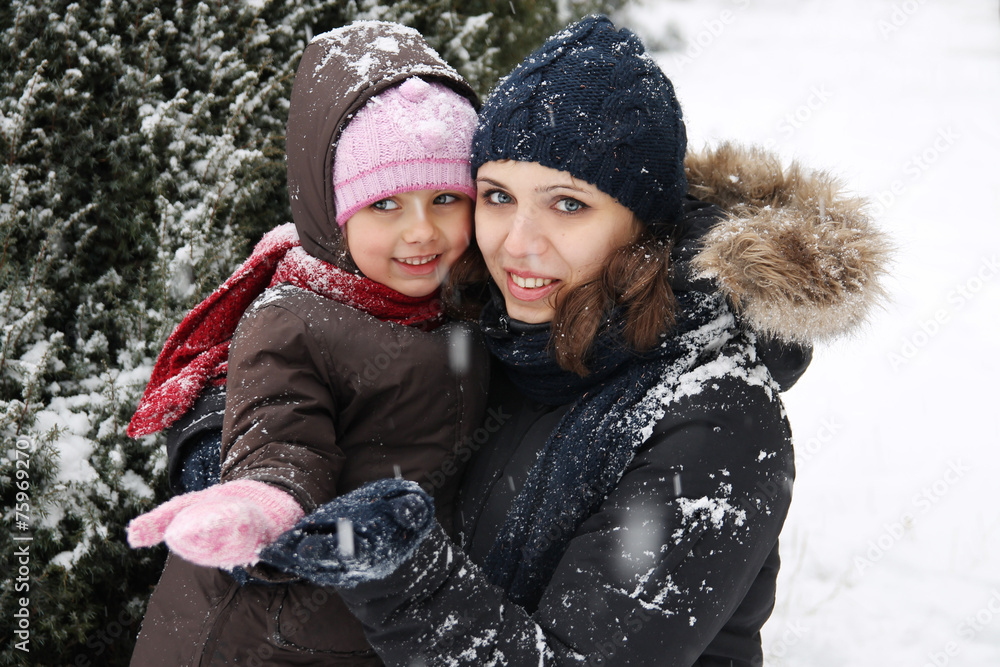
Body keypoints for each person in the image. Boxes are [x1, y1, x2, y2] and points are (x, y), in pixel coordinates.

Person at [257, 15, 890, 667]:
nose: (517, 242)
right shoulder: (485, 325)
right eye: (498, 196)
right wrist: (227, 438)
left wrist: (406, 577)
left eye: (568, 204)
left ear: (643, 224)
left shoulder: (718, 420)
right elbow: (314, 356)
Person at [124, 21, 490, 665]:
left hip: (373, 628)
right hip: (260, 637)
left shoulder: (470, 305)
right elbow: (282, 436)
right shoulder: (294, 318)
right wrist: (264, 501)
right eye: (384, 206)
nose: (421, 232)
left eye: (444, 198)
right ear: (332, 212)